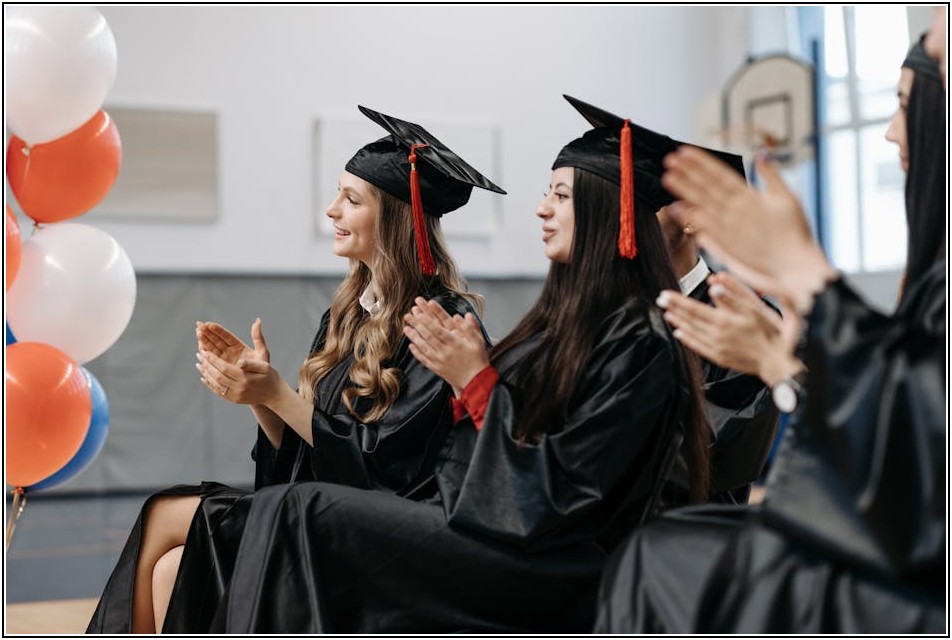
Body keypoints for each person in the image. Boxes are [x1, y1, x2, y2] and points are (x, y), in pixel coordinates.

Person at [194, 101, 711, 634]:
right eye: (544, 193)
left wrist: (473, 379)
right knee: (248, 513)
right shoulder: (557, 326)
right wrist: (265, 397)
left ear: (611, 214)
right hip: (497, 527)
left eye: (560, 195)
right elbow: (471, 462)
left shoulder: (639, 340)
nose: (541, 209)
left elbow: (565, 492)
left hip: (558, 563)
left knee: (300, 511)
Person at [85, 105, 506, 634]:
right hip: (314, 505)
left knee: (163, 516)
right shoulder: (350, 312)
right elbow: (307, 453)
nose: (331, 210)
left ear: (397, 217)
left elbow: (385, 469)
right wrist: (259, 393)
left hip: (382, 532)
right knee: (172, 566)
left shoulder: (442, 321)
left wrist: (280, 393)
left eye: (351, 199)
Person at [594, 31, 945, 634]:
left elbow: (922, 442)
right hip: (892, 521)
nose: (889, 130)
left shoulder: (722, 302)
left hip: (916, 557)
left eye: (905, 103)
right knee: (664, 544)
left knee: (660, 552)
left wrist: (801, 291)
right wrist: (780, 358)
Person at [563, 95, 781, 505]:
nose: (623, 219)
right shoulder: (605, 313)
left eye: (643, 204)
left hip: (692, 540)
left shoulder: (741, 318)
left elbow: (714, 453)